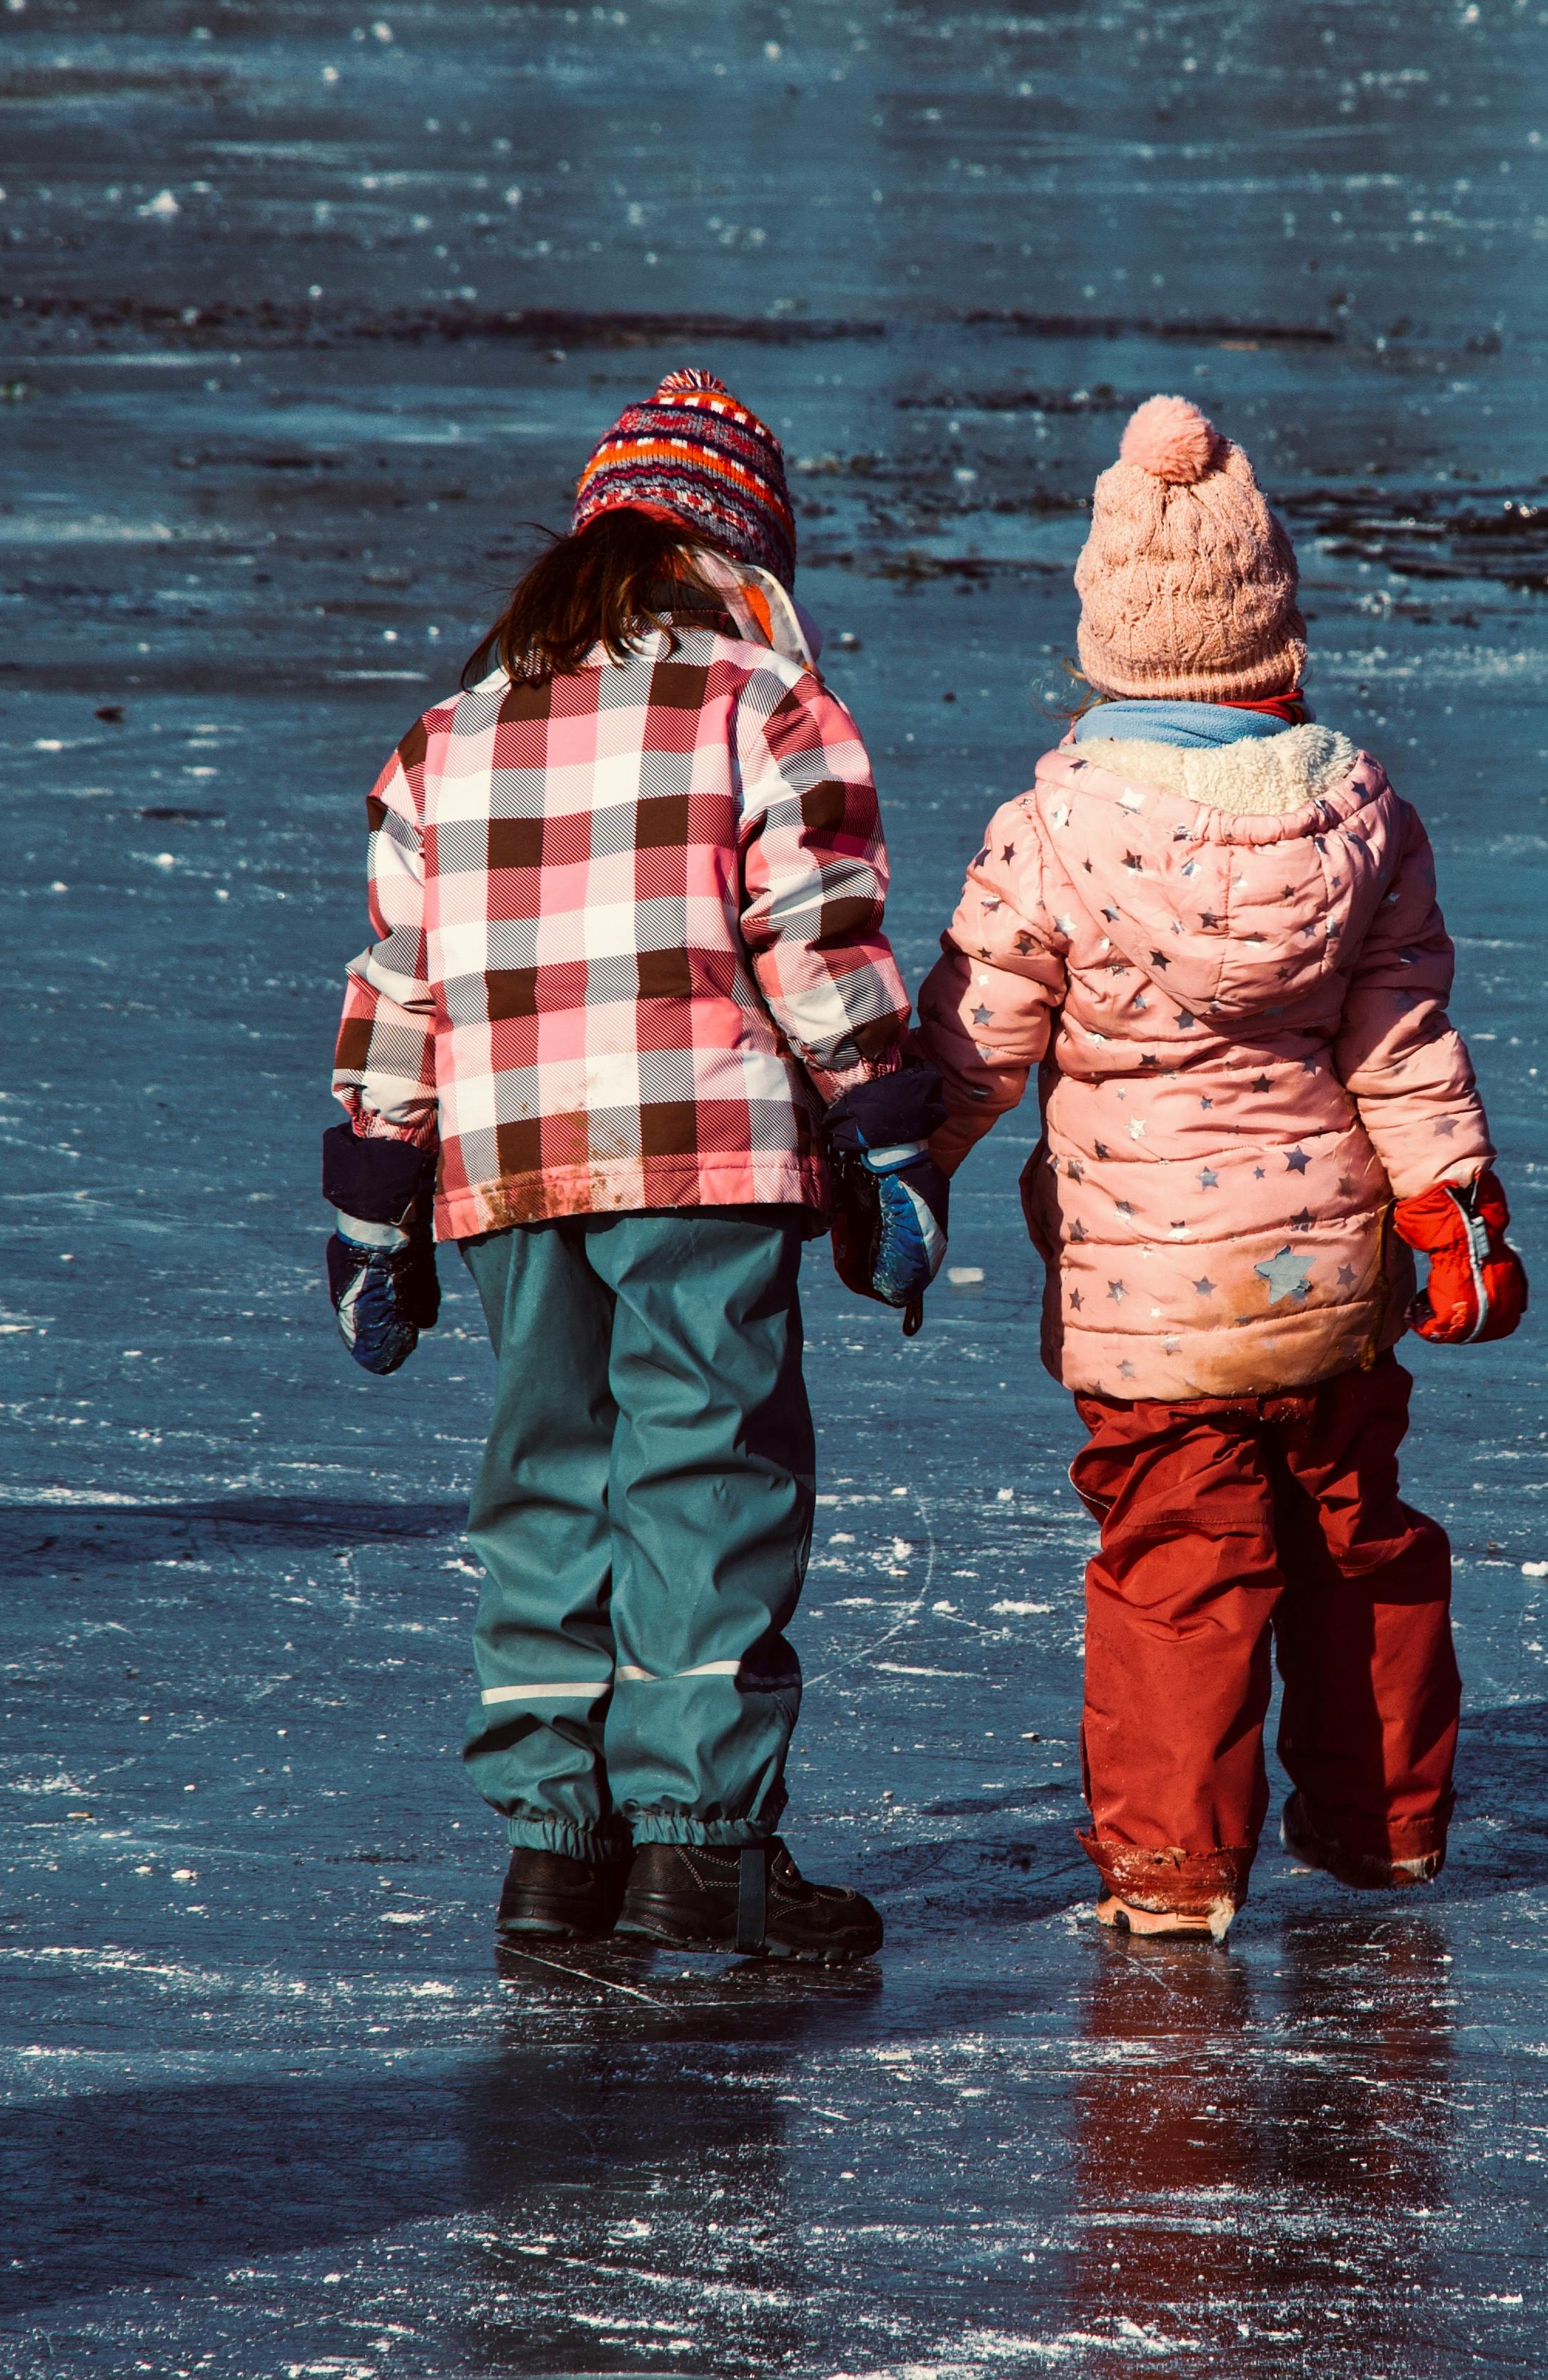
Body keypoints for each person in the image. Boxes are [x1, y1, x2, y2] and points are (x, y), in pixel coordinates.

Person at [322, 368, 945, 1964]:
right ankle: (700, 1850)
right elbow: (816, 946)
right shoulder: (763, 702)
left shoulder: (449, 736)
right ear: (741, 555)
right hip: (703, 1155)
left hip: (511, 1169)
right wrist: (889, 1134)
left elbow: (402, 976)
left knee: (544, 1476)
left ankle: (554, 1849)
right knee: (706, 1478)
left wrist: (372, 1202)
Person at [907, 394, 1529, 1943]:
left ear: (1108, 651)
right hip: (1323, 1277)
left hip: (1149, 1297)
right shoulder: (1359, 813)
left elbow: (980, 1041)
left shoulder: (1049, 826)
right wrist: (1450, 1211)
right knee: (1351, 1527)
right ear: (1276, 643)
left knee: (1182, 1560)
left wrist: (900, 1168)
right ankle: (1382, 1825)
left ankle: (1176, 1871)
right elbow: (1401, 1043)